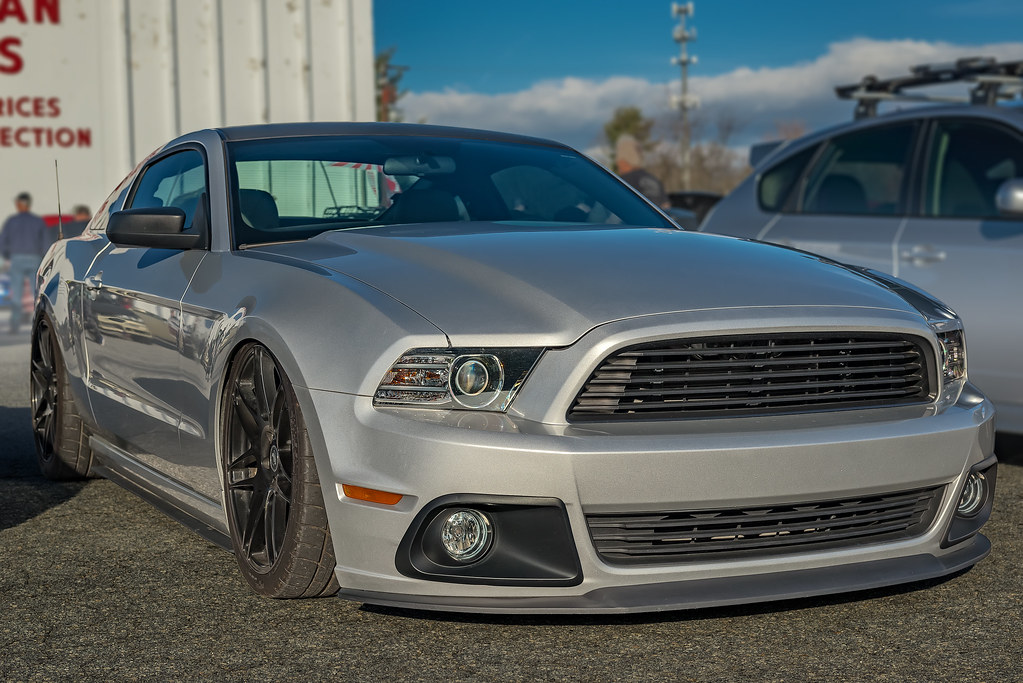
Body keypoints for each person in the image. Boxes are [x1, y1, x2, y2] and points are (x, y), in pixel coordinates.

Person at [0, 192, 51, 333]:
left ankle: (15, 324)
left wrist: (8, 256)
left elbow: (2, 242)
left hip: (16, 258)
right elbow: (45, 243)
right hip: (34, 259)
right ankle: (37, 322)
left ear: (19, 204)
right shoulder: (37, 221)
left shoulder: (11, 221)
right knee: (36, 292)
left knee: (16, 293)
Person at [615, 134, 671, 210]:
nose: (618, 164)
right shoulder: (654, 179)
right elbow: (666, 208)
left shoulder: (623, 182)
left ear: (624, 160)